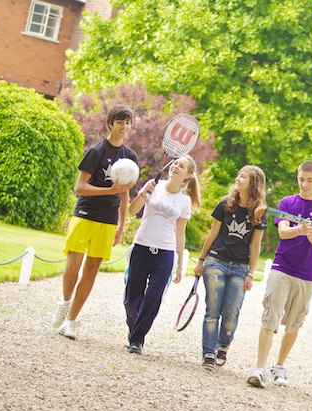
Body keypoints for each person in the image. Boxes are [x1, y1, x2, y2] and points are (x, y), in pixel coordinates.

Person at [53, 105, 138, 340]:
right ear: (111, 124)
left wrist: (121, 226)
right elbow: (80, 187)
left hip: (108, 221)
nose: (125, 127)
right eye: (120, 122)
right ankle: (65, 302)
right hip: (84, 214)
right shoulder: (96, 151)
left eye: (128, 123)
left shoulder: (130, 157)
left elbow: (124, 194)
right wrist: (108, 189)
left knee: (91, 271)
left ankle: (71, 321)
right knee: (73, 265)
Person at [248, 161, 312, 388]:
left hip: (306, 274)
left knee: (295, 322)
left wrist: (310, 231)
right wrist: (300, 228)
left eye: (309, 180)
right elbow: (284, 232)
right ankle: (259, 369)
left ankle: (279, 365)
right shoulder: (287, 202)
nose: (304, 184)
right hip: (282, 268)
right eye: (301, 179)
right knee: (271, 316)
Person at [123, 155, 201, 354]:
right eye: (175, 163)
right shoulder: (154, 186)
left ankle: (137, 340)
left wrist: (180, 265)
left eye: (181, 166)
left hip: (165, 254)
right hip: (141, 247)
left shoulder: (184, 201)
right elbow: (132, 211)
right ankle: (135, 330)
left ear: (188, 175)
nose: (175, 167)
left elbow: (180, 234)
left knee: (154, 297)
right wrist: (143, 193)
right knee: (132, 298)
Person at [194, 165, 267, 369]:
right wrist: (201, 261)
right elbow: (213, 234)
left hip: (240, 268)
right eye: (238, 175)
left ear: (253, 183)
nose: (238, 178)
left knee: (231, 314)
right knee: (212, 312)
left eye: (243, 176)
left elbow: (255, 244)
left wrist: (251, 274)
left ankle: (223, 346)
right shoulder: (226, 204)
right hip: (216, 262)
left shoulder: (259, 212)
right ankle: (208, 352)